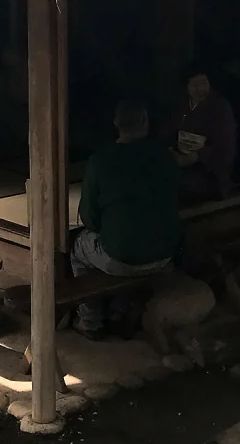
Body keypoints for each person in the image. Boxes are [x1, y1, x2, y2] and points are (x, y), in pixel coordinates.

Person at [71, 99, 182, 338]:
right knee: (120, 242)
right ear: (145, 122)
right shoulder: (164, 156)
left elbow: (88, 217)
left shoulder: (101, 160)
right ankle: (118, 311)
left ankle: (90, 321)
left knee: (79, 246)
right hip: (166, 253)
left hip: (122, 257)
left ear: (115, 123)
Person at [172, 69, 237, 202]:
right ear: (187, 87)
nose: (201, 89)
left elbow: (225, 144)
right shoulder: (181, 105)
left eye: (204, 83)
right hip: (183, 161)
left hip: (210, 172)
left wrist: (198, 156)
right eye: (195, 85)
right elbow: (169, 130)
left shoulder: (220, 107)